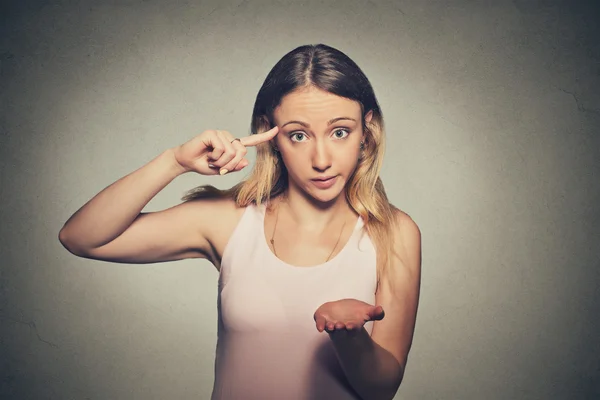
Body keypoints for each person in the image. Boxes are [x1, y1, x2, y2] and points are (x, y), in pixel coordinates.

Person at [59, 43, 421, 400]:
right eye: (299, 135)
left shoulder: (394, 232)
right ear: (271, 135)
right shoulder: (229, 220)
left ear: (366, 132)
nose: (322, 159)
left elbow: (381, 388)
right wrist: (174, 162)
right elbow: (82, 237)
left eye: (340, 132)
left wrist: (349, 336)